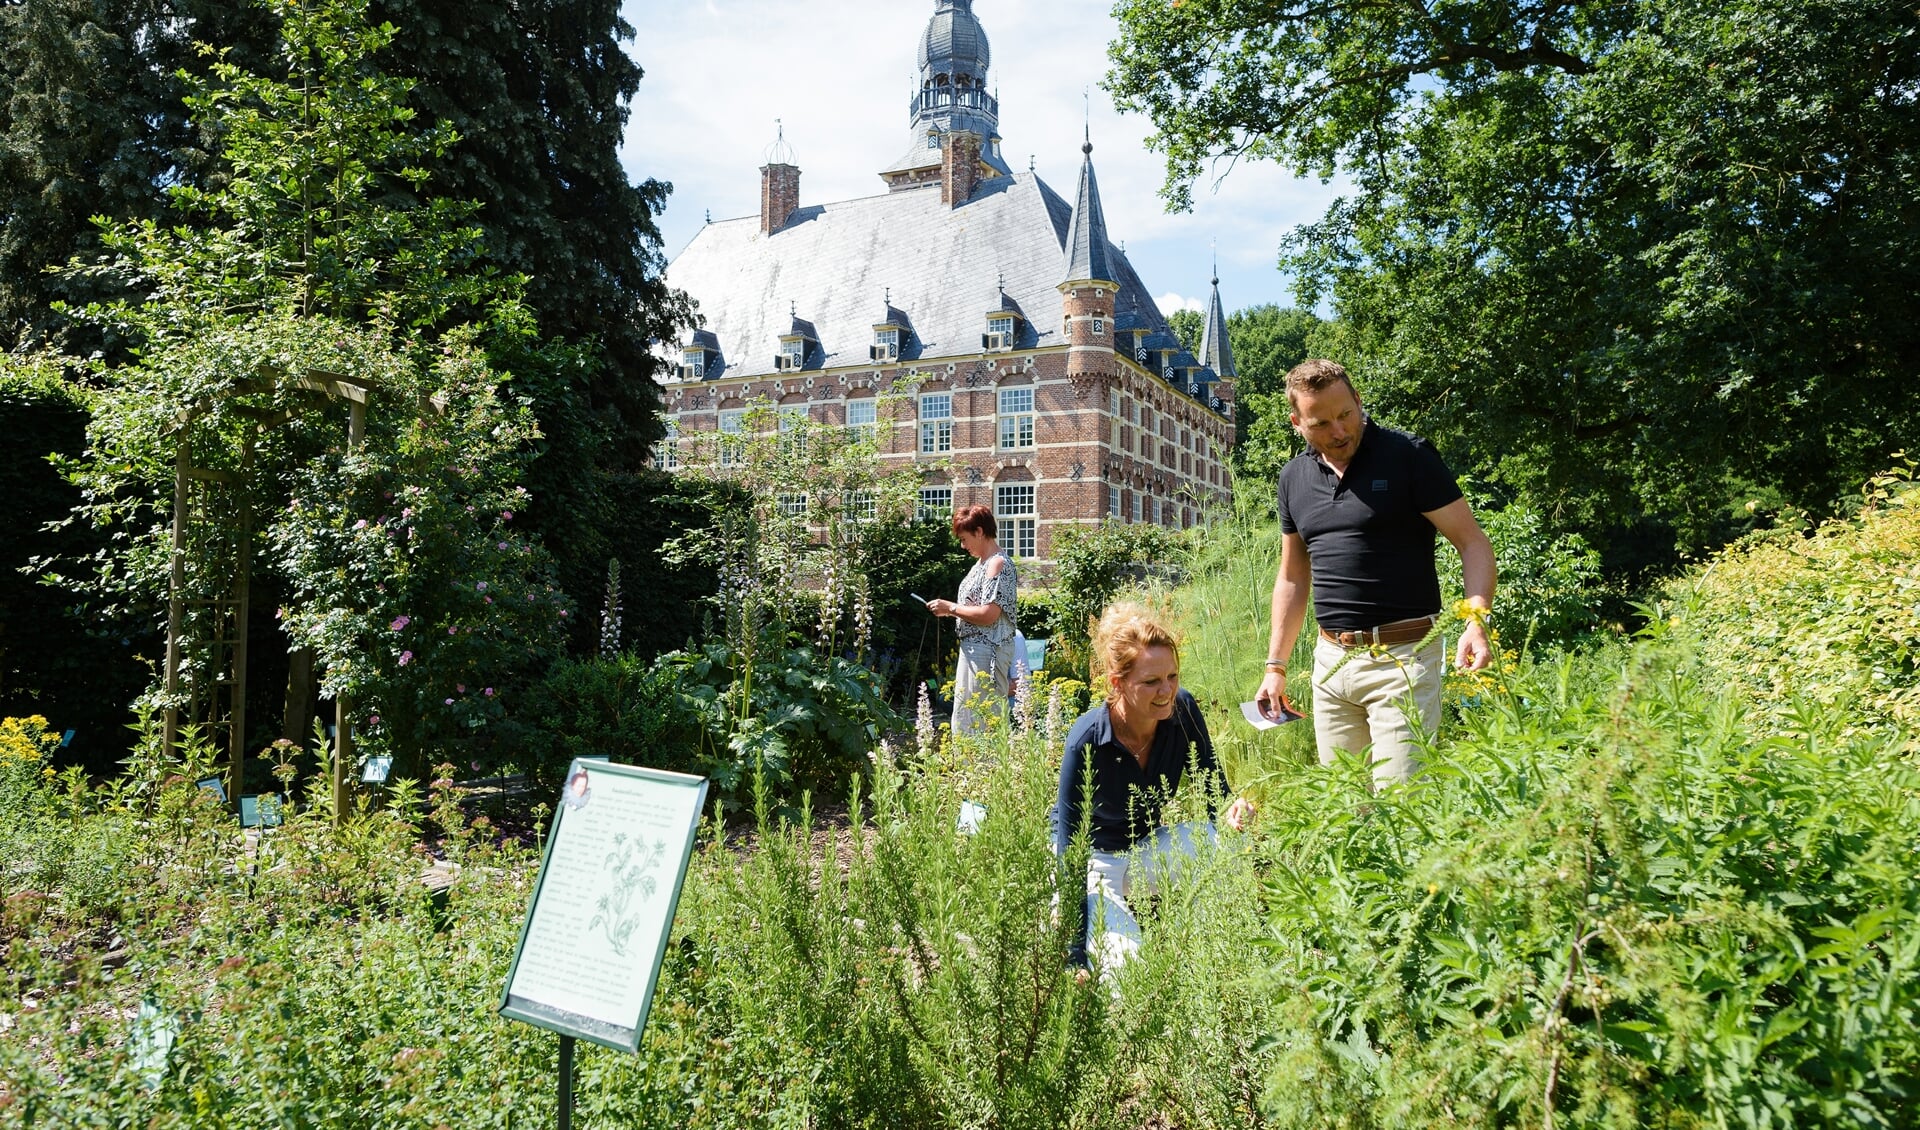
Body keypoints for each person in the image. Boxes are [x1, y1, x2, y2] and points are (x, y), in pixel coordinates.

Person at [1253, 359, 1496, 786]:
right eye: (1321, 423)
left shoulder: (1408, 456)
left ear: (1359, 400)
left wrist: (1476, 620)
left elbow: (1472, 543)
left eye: (1346, 414)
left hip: (1403, 661)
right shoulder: (1293, 478)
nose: (1340, 431)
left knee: (1403, 808)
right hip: (1331, 665)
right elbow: (1292, 577)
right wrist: (1276, 667)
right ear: (1297, 422)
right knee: (1347, 809)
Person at [1053, 603, 1253, 973]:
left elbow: (1215, 792)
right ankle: (1085, 932)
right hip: (1094, 862)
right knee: (1129, 974)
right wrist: (1073, 952)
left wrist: (1234, 810)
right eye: (1151, 682)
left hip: (1144, 850)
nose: (1167, 691)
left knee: (1230, 841)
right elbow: (1069, 852)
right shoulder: (1086, 740)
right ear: (1118, 683)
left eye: (1172, 676)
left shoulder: (1183, 710)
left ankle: (1213, 956)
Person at [926, 504, 1018, 736]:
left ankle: (986, 771)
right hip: (975, 651)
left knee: (981, 722)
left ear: (979, 531)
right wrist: (950, 611)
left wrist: (951, 608)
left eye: (965, 539)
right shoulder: (981, 565)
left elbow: (989, 615)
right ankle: (970, 770)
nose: (962, 545)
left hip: (988, 653)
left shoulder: (998, 564)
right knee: (967, 718)